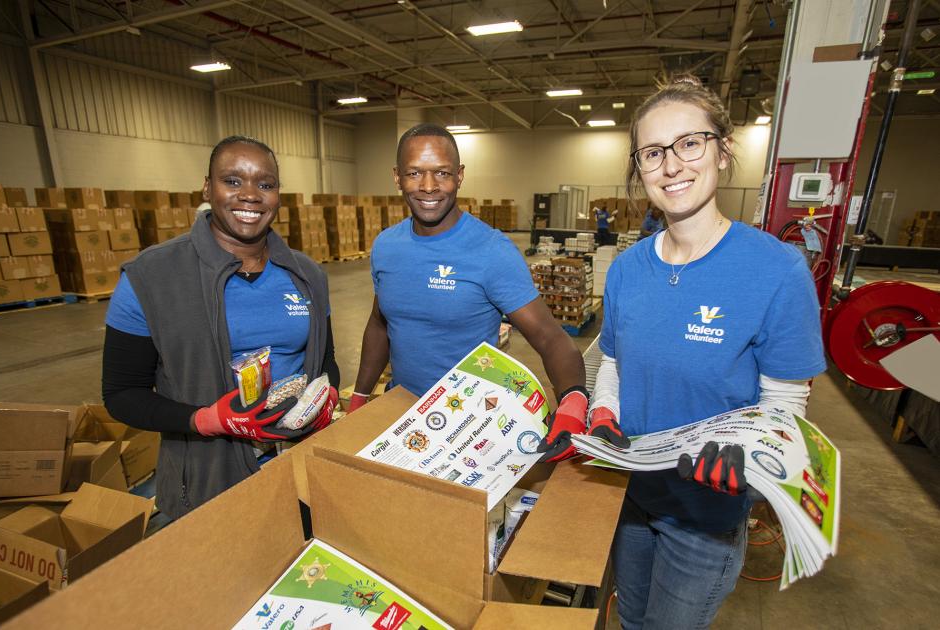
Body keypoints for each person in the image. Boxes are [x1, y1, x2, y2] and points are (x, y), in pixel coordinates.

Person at [586, 76, 825, 628]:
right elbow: (615, 366)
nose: (672, 166)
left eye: (689, 143)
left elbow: (786, 401)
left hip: (706, 516)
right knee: (630, 620)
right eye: (652, 152)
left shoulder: (776, 270)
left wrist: (752, 451)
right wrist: (604, 414)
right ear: (638, 167)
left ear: (722, 150)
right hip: (631, 498)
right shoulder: (626, 270)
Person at [102, 135, 339, 520]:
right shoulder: (151, 277)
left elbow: (325, 359)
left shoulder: (306, 274)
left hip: (298, 467)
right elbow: (121, 393)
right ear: (207, 188)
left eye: (265, 184)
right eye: (232, 181)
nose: (250, 195)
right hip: (206, 479)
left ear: (278, 194)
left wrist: (325, 398)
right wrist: (205, 419)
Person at [349, 123, 588, 461]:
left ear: (459, 175)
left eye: (442, 173)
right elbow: (379, 323)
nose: (429, 187)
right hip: (401, 411)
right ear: (396, 176)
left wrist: (573, 401)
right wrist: (360, 395)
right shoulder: (386, 246)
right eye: (415, 172)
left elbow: (550, 338)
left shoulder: (491, 251)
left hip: (471, 424)